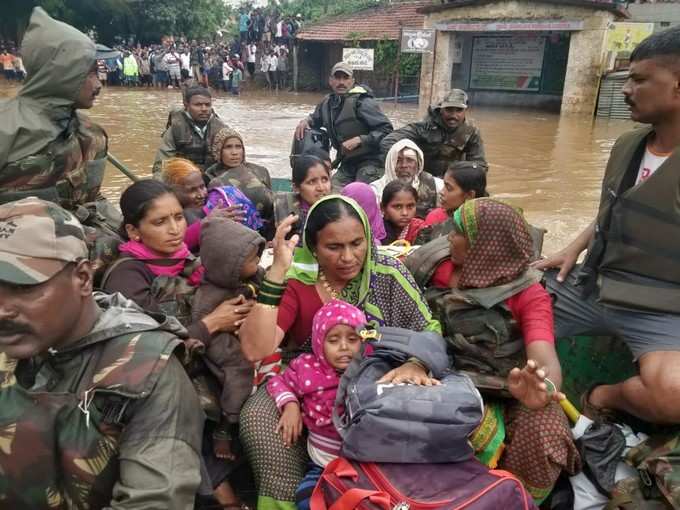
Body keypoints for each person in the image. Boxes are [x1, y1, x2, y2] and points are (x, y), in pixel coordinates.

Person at [238, 196, 440, 510]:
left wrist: (416, 362)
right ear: (314, 247)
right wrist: (277, 272)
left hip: (379, 376)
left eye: (357, 243)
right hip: (306, 378)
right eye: (334, 247)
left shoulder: (388, 273)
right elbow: (255, 348)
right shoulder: (298, 280)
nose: (348, 257)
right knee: (259, 419)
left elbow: (429, 328)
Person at [0, 197, 203, 508]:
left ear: (82, 277)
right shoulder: (13, 343)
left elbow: (153, 501)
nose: (2, 310)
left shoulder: (149, 370)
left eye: (24, 288)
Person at [534, 26, 680, 426]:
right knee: (500, 309)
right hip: (591, 286)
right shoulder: (627, 145)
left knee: (673, 396)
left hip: (660, 308)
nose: (626, 89)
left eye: (639, 79)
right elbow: (615, 210)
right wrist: (573, 247)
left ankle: (600, 396)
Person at [422, 198, 580, 503]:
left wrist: (543, 388)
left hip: (509, 388)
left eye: (457, 233)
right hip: (449, 381)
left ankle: (516, 500)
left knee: (543, 427)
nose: (448, 238)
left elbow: (545, 359)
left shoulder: (529, 295)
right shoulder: (437, 269)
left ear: (484, 246)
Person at [0, 8, 121, 280]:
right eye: (88, 73)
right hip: (17, 259)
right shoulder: (6, 128)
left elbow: (94, 199)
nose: (99, 83)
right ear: (61, 73)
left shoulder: (92, 134)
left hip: (80, 247)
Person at [267, 299, 367, 510]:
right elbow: (278, 382)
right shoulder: (307, 368)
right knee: (306, 502)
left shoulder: (370, 369)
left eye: (352, 338)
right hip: (321, 465)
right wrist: (291, 404)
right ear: (319, 342)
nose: (344, 347)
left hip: (364, 466)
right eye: (333, 340)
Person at [295, 62, 394, 188]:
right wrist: (306, 121)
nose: (341, 82)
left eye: (345, 78)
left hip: (371, 162)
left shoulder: (363, 102)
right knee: (330, 192)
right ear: (330, 81)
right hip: (347, 163)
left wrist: (360, 140)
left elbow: (387, 129)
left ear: (352, 81)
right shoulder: (327, 103)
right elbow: (315, 118)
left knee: (359, 192)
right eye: (337, 78)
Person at [380, 89, 486, 178]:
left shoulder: (471, 131)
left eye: (459, 110)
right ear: (441, 110)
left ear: (465, 111)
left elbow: (480, 165)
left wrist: (464, 177)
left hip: (454, 180)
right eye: (449, 110)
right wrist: (404, 163)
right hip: (423, 178)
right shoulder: (424, 127)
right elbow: (388, 141)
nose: (454, 115)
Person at [205, 127, 275, 239]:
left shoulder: (260, 171)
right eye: (228, 147)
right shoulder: (211, 178)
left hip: (268, 231)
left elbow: (273, 206)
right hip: (235, 236)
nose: (234, 153)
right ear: (218, 151)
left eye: (238, 147)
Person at [152, 85, 227, 176]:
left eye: (207, 105)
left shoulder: (221, 128)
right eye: (198, 105)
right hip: (184, 179)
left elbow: (235, 159)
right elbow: (161, 165)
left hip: (214, 179)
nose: (204, 109)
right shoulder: (175, 129)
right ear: (186, 105)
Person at [415, 161, 488, 245]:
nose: (441, 192)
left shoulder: (487, 226)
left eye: (449, 188)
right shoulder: (435, 217)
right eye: (444, 185)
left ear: (469, 195)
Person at [371, 139, 442, 219]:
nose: (404, 165)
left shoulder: (434, 184)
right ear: (391, 164)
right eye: (398, 160)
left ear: (418, 164)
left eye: (410, 160)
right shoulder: (376, 190)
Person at [273, 154, 332, 244]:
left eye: (325, 179)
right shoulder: (286, 211)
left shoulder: (337, 210)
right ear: (296, 187)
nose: (321, 188)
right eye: (312, 182)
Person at [381, 181, 425, 245]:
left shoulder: (420, 229)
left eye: (410, 206)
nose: (405, 213)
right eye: (398, 207)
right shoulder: (377, 231)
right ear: (383, 208)